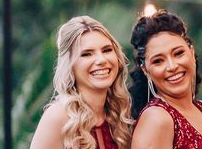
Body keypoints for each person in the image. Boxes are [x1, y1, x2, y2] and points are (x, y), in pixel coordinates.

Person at [129, 10, 202, 149]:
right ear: (145, 70)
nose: (172, 66)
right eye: (158, 61)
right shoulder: (156, 119)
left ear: (192, 52)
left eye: (178, 53)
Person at [30, 15, 133, 149]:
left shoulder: (119, 115)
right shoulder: (58, 116)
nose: (101, 60)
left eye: (107, 50)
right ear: (70, 65)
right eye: (86, 54)